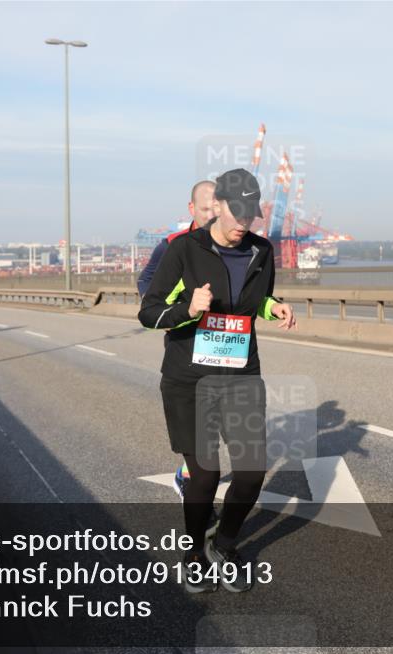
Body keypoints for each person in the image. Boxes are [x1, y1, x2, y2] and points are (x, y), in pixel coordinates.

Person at [139, 168, 296, 593]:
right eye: (237, 212)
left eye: (252, 214)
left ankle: (223, 544)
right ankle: (192, 553)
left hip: (241, 375)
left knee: (250, 472)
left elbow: (252, 300)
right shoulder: (184, 250)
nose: (244, 222)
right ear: (219, 205)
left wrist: (273, 307)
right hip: (189, 379)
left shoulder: (261, 250)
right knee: (205, 475)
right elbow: (149, 311)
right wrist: (187, 309)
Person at [138, 181, 219, 513]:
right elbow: (147, 286)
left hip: (224, 345)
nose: (213, 216)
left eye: (218, 209)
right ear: (191, 210)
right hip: (185, 344)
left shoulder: (231, 243)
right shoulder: (172, 244)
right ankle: (194, 484)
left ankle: (192, 474)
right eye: (206, 210)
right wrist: (182, 307)